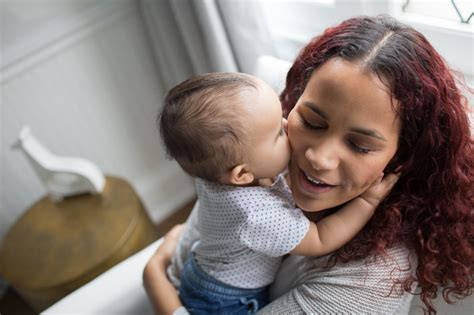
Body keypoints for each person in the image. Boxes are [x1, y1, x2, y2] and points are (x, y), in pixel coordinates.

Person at [144, 15, 473, 314]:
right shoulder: (253, 153)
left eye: (359, 145)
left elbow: (171, 261)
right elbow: (188, 248)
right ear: (293, 102)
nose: (318, 157)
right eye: (313, 122)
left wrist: (154, 280)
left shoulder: (368, 286)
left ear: (402, 157)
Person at [158, 72, 398, 314]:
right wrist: (368, 200)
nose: (286, 125)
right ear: (241, 174)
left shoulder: (215, 174)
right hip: (225, 302)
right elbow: (320, 239)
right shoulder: (258, 215)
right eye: (278, 134)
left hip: (199, 270)